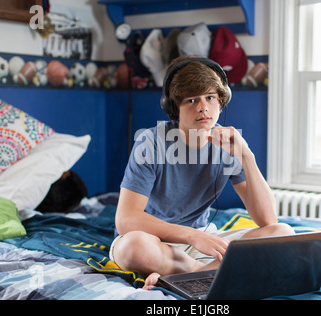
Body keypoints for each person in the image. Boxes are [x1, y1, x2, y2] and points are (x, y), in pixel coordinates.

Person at [109, 56, 294, 289]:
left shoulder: (229, 143)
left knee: (282, 233)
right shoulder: (150, 142)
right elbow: (126, 220)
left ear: (221, 101)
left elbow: (268, 220)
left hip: (202, 244)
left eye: (210, 97)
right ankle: (205, 273)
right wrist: (192, 236)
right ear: (173, 106)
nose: (203, 107)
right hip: (154, 241)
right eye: (191, 100)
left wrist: (247, 157)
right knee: (132, 247)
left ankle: (189, 275)